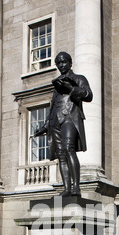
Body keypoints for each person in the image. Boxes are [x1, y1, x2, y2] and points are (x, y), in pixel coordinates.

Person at [35, 52, 93, 197]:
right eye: (58, 63)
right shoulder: (57, 84)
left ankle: (76, 188)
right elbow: (53, 105)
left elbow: (88, 95)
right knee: (61, 155)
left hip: (70, 117)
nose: (61, 65)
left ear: (70, 62)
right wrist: (45, 125)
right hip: (55, 120)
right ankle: (67, 188)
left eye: (63, 62)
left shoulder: (79, 78)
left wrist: (71, 89)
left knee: (69, 149)